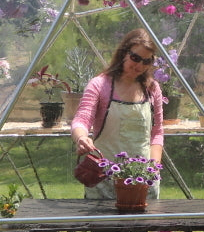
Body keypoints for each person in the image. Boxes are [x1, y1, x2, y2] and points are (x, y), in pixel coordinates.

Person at [70, 28, 165, 201]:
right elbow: (81, 119)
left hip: (142, 181)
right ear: (123, 53)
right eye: (135, 58)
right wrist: (81, 138)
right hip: (103, 180)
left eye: (147, 61)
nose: (139, 66)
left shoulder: (152, 89)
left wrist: (154, 168)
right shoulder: (99, 85)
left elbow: (157, 133)